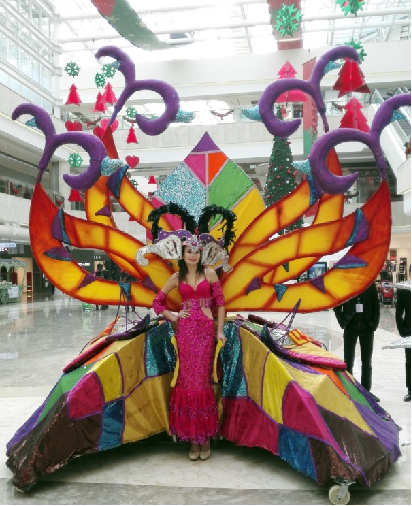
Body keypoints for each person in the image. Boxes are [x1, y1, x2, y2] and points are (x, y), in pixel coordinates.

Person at [139, 202, 236, 461]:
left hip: (205, 332)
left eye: (196, 251)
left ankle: (205, 440)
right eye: (188, 251)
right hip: (184, 333)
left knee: (202, 383)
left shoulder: (211, 274)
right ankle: (193, 441)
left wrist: (220, 331)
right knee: (187, 382)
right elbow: (157, 303)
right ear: (182, 254)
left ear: (201, 254)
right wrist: (172, 315)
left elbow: (221, 304)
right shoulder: (176, 278)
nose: (192, 255)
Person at [333, 282, 381, 402]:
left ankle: (366, 392)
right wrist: (342, 322)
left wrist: (373, 324)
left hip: (367, 327)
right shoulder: (346, 285)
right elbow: (337, 305)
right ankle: (349, 391)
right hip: (350, 327)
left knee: (367, 362)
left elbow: (376, 306)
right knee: (348, 361)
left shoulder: (370, 284)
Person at [395, 287, 411, 402]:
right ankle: (410, 390)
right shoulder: (403, 291)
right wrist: (402, 330)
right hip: (409, 331)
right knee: (409, 360)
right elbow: (399, 312)